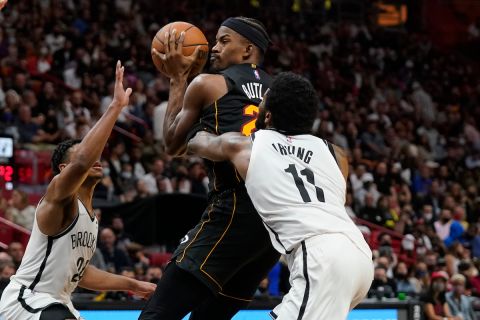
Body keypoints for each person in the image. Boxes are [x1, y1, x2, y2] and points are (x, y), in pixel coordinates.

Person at [187, 72, 373, 319]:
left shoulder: (244, 145)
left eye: (264, 99)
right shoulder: (337, 154)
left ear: (267, 115)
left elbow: (195, 143)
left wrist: (198, 117)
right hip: (359, 253)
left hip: (320, 257)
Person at [141, 17, 280, 319]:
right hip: (273, 223)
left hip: (233, 208)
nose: (214, 48)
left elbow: (173, 144)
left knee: (157, 314)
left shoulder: (208, 83)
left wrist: (178, 79)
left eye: (223, 40)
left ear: (248, 50)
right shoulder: (282, 92)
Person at [0, 61, 156, 320]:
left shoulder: (91, 218)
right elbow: (83, 159)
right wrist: (115, 107)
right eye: (87, 153)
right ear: (63, 169)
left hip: (59, 304)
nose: (97, 158)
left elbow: (79, 272)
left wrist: (133, 285)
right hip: (28, 300)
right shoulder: (60, 197)